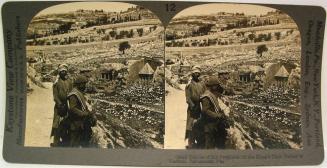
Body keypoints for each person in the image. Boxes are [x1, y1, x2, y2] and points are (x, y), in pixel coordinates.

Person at [200, 76, 230, 149]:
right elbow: (205, 111)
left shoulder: (213, 94)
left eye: (217, 85)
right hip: (209, 123)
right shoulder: (206, 96)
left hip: (214, 122)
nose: (216, 87)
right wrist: (217, 115)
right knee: (209, 144)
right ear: (211, 86)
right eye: (215, 85)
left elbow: (215, 106)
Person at [67, 75, 96, 147]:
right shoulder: (74, 94)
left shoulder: (79, 92)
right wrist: (84, 114)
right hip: (76, 123)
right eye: (84, 84)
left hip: (81, 122)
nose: (85, 86)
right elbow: (72, 108)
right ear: (80, 84)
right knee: (74, 144)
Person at [51, 64, 73, 147]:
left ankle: (65, 141)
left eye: (65, 71)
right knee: (57, 125)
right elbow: (55, 96)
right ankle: (56, 142)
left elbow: (72, 92)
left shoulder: (69, 82)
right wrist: (60, 105)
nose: (63, 72)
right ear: (59, 72)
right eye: (62, 71)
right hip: (59, 107)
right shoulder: (56, 83)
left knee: (67, 123)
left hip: (68, 106)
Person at [185, 66, 206, 148]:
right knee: (191, 126)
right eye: (195, 73)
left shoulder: (202, 84)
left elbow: (205, 93)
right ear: (192, 74)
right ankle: (191, 142)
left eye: (198, 73)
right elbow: (188, 98)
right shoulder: (189, 85)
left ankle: (200, 141)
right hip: (193, 108)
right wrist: (193, 106)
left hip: (201, 106)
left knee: (200, 124)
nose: (197, 74)